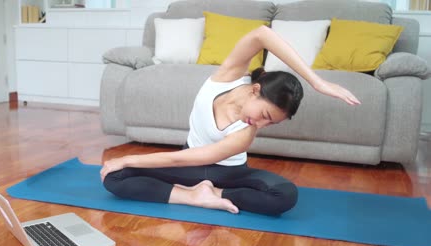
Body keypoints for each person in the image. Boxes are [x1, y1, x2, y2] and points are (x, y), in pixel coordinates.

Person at [100, 25, 360, 216]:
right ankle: (192, 197)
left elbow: (185, 159)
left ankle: (214, 194)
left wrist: (128, 157)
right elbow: (261, 34)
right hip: (189, 165)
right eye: (265, 115)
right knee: (114, 177)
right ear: (256, 90)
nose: (261, 125)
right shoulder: (229, 76)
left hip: (229, 174)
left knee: (285, 195)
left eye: (271, 124)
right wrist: (317, 82)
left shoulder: (245, 132)